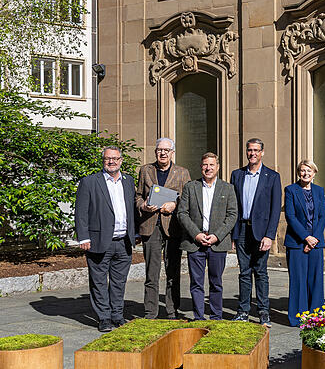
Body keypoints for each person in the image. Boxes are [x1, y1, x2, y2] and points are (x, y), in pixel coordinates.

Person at [75, 146, 137, 332]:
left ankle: (117, 315)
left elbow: (132, 210)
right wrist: (83, 237)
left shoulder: (128, 181)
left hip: (124, 241)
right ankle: (104, 318)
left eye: (115, 159)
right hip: (99, 240)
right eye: (108, 159)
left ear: (121, 160)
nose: (111, 162)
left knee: (119, 282)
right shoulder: (90, 182)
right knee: (99, 281)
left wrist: (136, 234)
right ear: (103, 160)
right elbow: (81, 212)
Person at [135, 137, 191, 320]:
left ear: (172, 153)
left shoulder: (182, 173)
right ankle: (150, 313)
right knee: (151, 273)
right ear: (155, 152)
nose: (163, 153)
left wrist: (175, 205)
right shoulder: (145, 170)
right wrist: (143, 206)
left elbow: (188, 200)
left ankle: (172, 311)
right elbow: (138, 196)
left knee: (173, 272)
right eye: (160, 150)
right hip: (151, 226)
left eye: (167, 150)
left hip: (173, 228)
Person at [177, 152, 238, 321]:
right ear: (201, 167)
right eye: (205, 165)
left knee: (216, 282)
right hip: (195, 242)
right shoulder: (191, 187)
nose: (208, 168)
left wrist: (217, 236)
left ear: (218, 167)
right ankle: (198, 317)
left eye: (212, 165)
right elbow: (182, 213)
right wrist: (196, 234)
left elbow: (232, 215)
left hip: (217, 243)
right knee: (196, 283)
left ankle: (216, 316)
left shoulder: (228, 188)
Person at [230, 139, 281, 326]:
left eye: (256, 150)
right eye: (249, 150)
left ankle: (263, 311)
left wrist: (270, 235)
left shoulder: (272, 177)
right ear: (246, 152)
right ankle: (243, 311)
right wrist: (233, 235)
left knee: (260, 272)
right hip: (242, 228)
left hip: (261, 232)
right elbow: (233, 206)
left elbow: (275, 210)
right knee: (244, 272)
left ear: (262, 152)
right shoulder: (237, 175)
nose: (252, 154)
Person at [284, 160, 325, 326]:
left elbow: (322, 216)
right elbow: (290, 216)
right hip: (296, 243)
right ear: (298, 173)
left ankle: (316, 317)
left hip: (316, 242)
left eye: (309, 171)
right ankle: (297, 317)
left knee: (315, 280)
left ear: (314, 173)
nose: (305, 174)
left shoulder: (319, 191)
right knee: (298, 281)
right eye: (302, 171)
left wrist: (314, 238)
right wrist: (305, 238)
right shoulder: (290, 190)